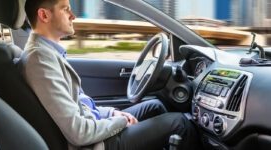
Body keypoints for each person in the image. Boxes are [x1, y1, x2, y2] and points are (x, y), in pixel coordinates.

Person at [22, 0, 201, 149]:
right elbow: (78, 133)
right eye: (66, 9)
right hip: (96, 145)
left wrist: (111, 113)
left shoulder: (48, 52)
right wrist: (121, 122)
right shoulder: (40, 60)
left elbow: (79, 105)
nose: (73, 16)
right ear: (44, 15)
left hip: (94, 126)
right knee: (180, 123)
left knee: (155, 106)